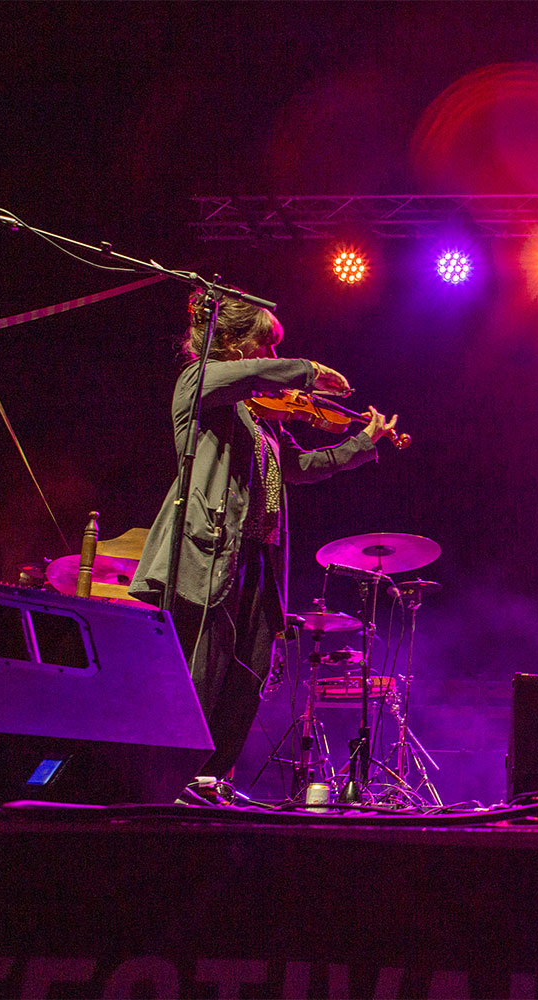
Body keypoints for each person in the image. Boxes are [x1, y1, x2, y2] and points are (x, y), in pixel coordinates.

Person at [130, 291, 399, 781]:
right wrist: (307, 370)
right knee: (201, 673)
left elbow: (297, 467)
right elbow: (251, 376)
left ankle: (213, 779)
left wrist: (362, 443)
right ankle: (173, 778)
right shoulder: (199, 383)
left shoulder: (260, 418)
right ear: (231, 344)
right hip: (208, 552)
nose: (272, 358)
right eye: (266, 345)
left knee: (245, 678)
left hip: (256, 559)